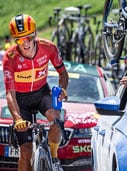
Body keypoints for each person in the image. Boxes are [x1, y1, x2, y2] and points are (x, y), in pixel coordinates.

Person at [2, 14, 69, 171]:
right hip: (21, 100)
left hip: (41, 93)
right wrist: (18, 119)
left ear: (35, 35)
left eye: (29, 38)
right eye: (19, 40)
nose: (25, 43)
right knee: (26, 153)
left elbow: (63, 73)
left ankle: (53, 156)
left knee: (56, 119)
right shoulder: (10, 58)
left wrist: (62, 88)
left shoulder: (48, 47)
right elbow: (10, 93)